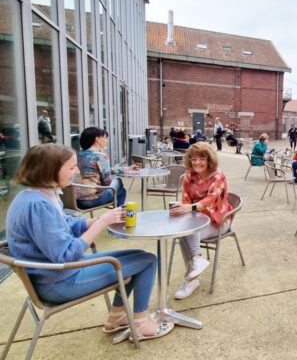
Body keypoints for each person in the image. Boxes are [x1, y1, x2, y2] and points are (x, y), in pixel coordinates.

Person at [5, 144, 173, 340]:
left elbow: (64, 224)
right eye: (71, 167)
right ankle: (141, 324)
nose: (77, 171)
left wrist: (96, 220)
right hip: (60, 283)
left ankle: (117, 317)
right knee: (147, 261)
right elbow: (66, 254)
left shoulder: (34, 196)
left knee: (137, 257)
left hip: (53, 276)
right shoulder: (39, 205)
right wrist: (101, 223)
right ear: (50, 169)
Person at [169, 142, 233, 299]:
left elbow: (211, 199)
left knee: (188, 232)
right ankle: (196, 262)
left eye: (201, 158)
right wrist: (181, 208)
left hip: (219, 222)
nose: (197, 162)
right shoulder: (189, 175)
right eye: (193, 159)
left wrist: (189, 208)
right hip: (197, 220)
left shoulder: (218, 175)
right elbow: (186, 198)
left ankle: (191, 278)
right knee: (186, 229)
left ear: (209, 159)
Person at [75, 127, 138, 209]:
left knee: (120, 190)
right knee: (119, 185)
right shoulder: (101, 157)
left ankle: (119, 214)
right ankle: (119, 215)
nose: (106, 141)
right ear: (97, 139)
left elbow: (96, 169)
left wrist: (124, 169)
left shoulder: (79, 155)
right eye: (105, 138)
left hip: (76, 201)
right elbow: (107, 182)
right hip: (93, 200)